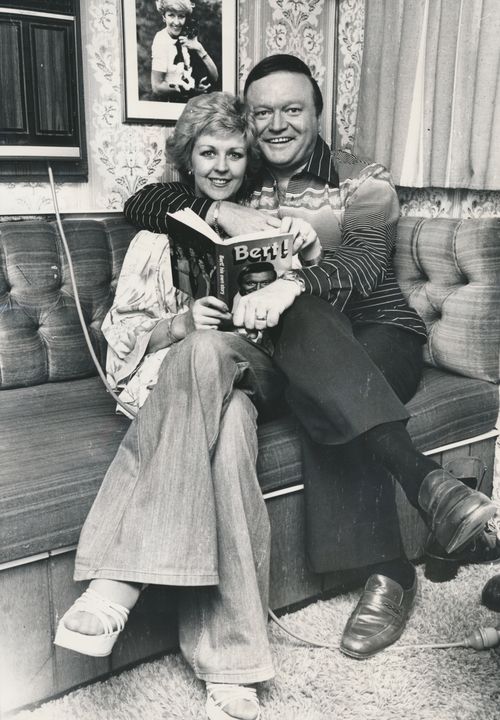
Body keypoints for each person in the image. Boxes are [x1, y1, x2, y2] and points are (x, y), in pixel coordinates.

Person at [124, 54, 497, 661]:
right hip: (289, 348)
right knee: (310, 367)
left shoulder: (364, 179)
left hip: (380, 334)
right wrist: (219, 209)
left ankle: (388, 573)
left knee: (319, 367)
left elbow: (365, 266)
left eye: (292, 110)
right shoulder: (238, 175)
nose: (276, 124)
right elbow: (142, 202)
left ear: (318, 114)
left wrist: (292, 284)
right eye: (262, 111)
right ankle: (434, 493)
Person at [55, 91, 320, 720]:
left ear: (248, 161)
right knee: (225, 432)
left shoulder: (270, 223)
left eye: (235, 153)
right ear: (189, 160)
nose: (223, 165)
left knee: (213, 357)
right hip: (187, 383)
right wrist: (179, 323)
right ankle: (232, 670)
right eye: (209, 152)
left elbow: (310, 309)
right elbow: (122, 340)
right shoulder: (156, 236)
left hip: (259, 372)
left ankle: (117, 582)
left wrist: (286, 275)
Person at [151, 0, 218, 101]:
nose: (177, 22)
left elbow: (215, 77)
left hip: (191, 102)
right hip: (171, 104)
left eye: (181, 16)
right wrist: (193, 91)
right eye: (171, 15)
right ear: (164, 17)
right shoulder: (161, 40)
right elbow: (157, 87)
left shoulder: (186, 38)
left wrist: (199, 48)